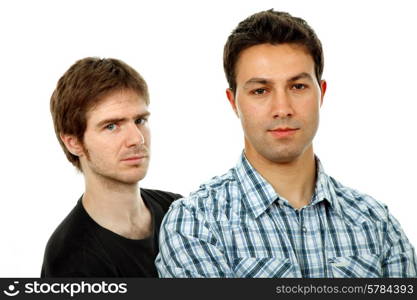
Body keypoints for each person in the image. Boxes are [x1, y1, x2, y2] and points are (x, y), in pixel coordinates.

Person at [155, 9, 417, 278]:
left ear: (321, 93)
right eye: (260, 90)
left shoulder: (375, 222)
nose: (282, 108)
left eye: (298, 87)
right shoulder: (196, 222)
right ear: (233, 102)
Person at [41, 57, 182, 277]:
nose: (136, 139)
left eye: (140, 121)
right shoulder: (72, 259)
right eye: (112, 126)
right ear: (74, 142)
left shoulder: (177, 210)